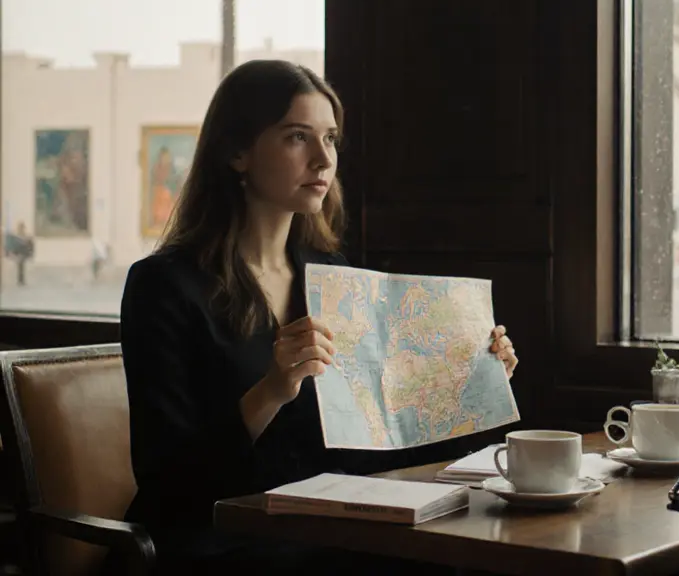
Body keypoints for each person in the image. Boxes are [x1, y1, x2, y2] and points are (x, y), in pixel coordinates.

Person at [111, 60, 519, 575]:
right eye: (297, 137)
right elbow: (168, 481)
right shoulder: (162, 286)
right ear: (237, 152)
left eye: (330, 139)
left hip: (325, 532)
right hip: (214, 543)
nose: (323, 158)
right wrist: (272, 391)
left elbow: (374, 451)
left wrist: (473, 382)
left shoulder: (334, 278)